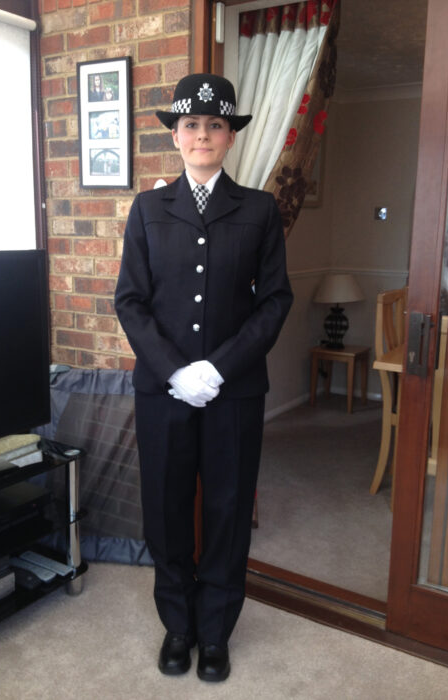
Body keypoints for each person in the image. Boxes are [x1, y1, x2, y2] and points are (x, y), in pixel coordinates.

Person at [114, 73, 293, 682]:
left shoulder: (259, 210)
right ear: (175, 133)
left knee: (227, 509)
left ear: (230, 136)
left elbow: (274, 302)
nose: (202, 135)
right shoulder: (148, 209)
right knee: (165, 512)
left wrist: (217, 367)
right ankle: (178, 625)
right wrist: (174, 371)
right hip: (163, 394)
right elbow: (130, 302)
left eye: (215, 124)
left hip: (234, 392)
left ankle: (214, 631)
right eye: (191, 124)